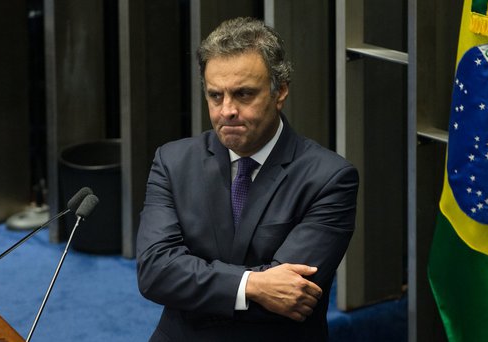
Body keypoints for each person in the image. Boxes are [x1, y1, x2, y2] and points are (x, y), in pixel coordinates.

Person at [136, 17, 359, 341]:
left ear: (279, 90)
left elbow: (292, 296)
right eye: (215, 96)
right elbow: (155, 273)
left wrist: (194, 286)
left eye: (243, 94)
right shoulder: (172, 161)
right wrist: (252, 285)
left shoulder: (329, 178)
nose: (226, 110)